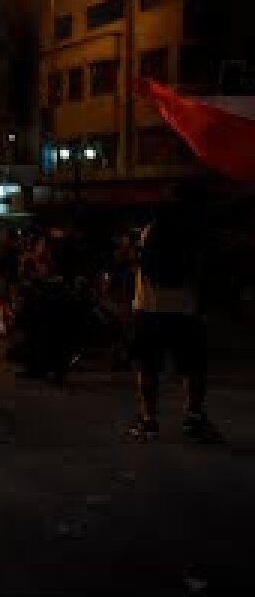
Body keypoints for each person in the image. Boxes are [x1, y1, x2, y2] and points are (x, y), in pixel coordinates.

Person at [126, 184, 223, 443]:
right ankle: (193, 417)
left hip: (149, 307)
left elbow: (143, 269)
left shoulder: (151, 232)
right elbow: (203, 274)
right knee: (193, 369)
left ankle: (149, 420)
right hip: (185, 310)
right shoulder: (196, 235)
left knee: (148, 368)